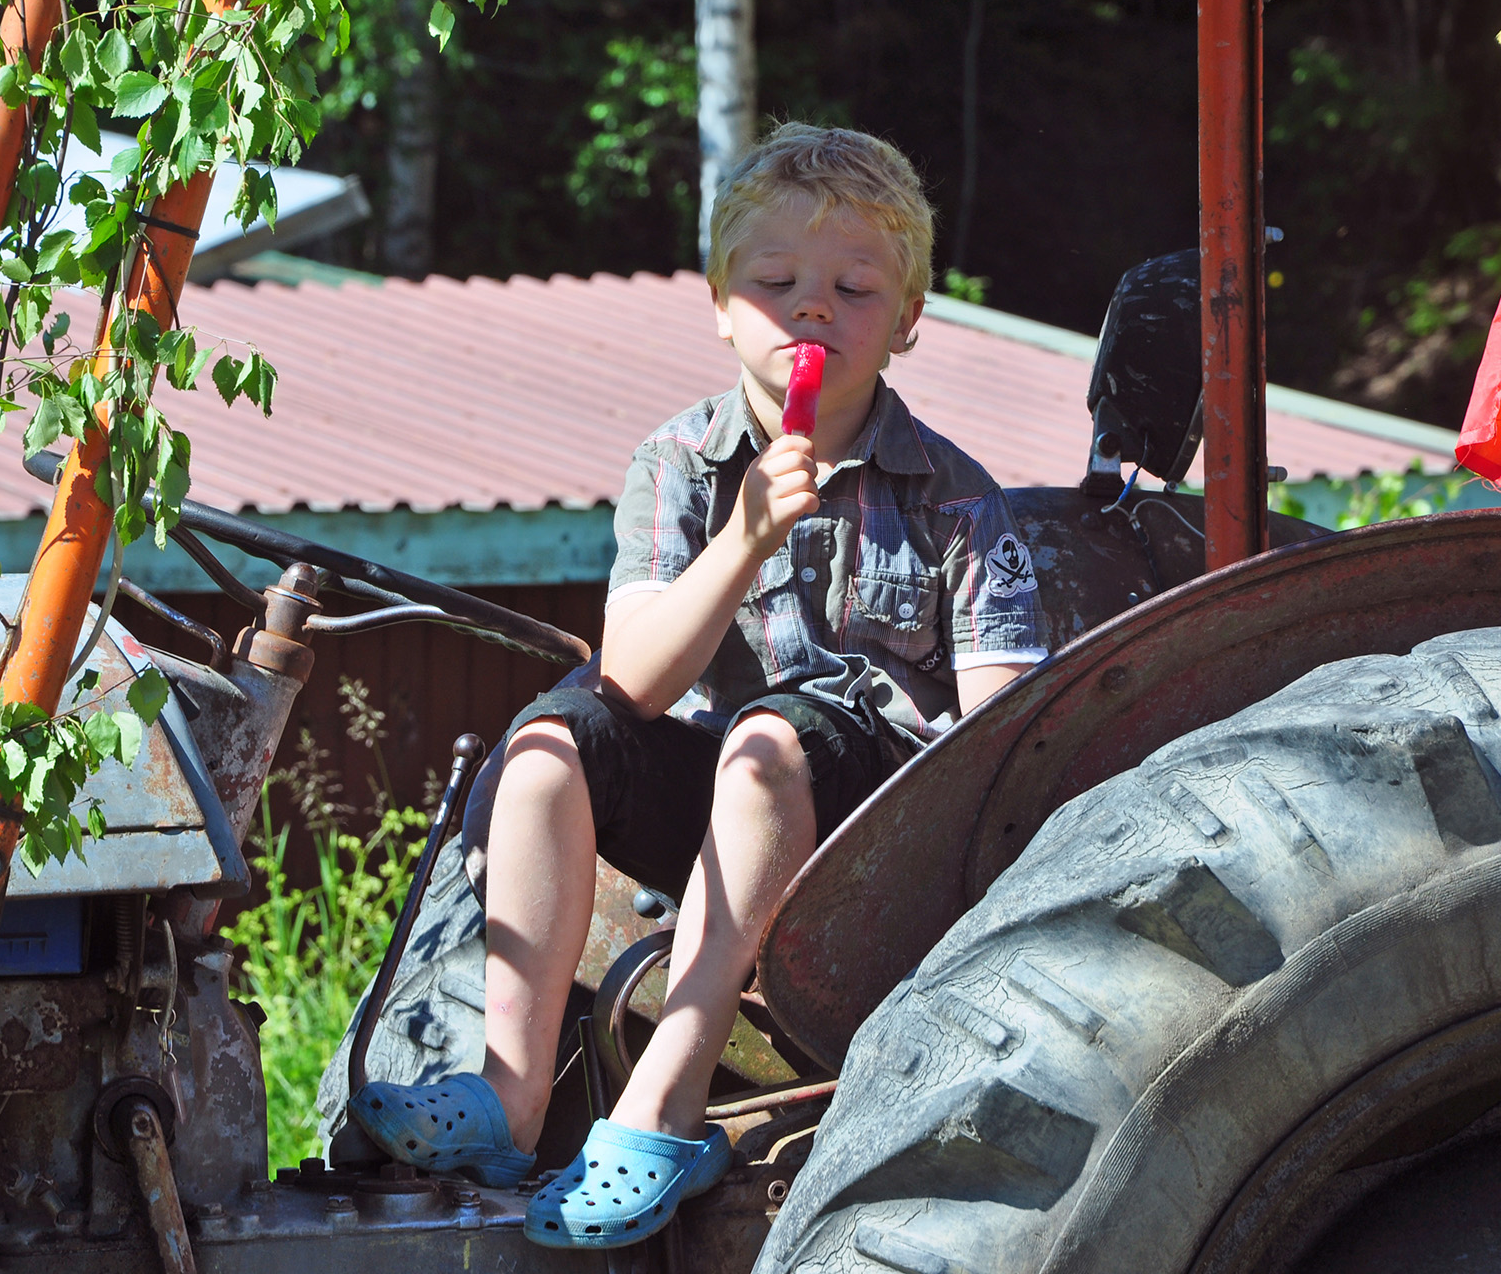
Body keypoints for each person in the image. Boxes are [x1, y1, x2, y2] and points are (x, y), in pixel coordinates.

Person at [347, 122, 1048, 1249]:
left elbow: (1013, 724)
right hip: (718, 817)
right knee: (548, 741)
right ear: (721, 303)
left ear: (907, 321)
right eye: (775, 282)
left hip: (873, 825)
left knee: (772, 739)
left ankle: (663, 1097)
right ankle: (505, 1095)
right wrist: (742, 540)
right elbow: (629, 676)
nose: (810, 309)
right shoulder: (678, 463)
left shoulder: (954, 499)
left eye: (853, 287)